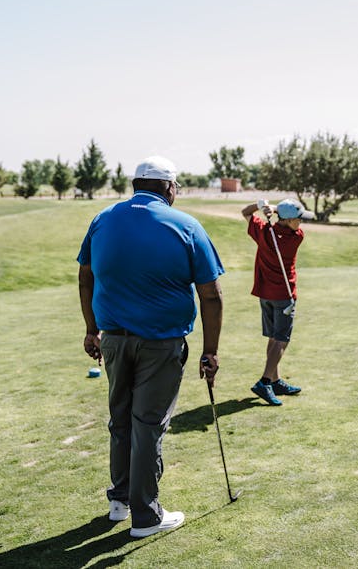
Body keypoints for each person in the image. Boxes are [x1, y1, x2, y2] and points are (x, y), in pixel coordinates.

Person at [77, 156, 224, 538]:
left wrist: (91, 330)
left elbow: (85, 277)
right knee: (147, 425)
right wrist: (211, 351)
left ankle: (119, 501)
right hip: (161, 344)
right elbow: (211, 295)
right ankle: (146, 516)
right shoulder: (186, 225)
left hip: (112, 341)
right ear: (169, 188)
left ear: (135, 184)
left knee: (121, 419)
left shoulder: (103, 219)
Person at [241, 198, 313, 406]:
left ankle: (275, 380)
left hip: (265, 294)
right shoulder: (296, 237)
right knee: (282, 339)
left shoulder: (265, 232)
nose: (301, 223)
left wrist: (260, 205)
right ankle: (264, 381)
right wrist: (273, 210)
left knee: (273, 338)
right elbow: (283, 225)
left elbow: (246, 212)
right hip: (284, 295)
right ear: (290, 220)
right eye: (299, 219)